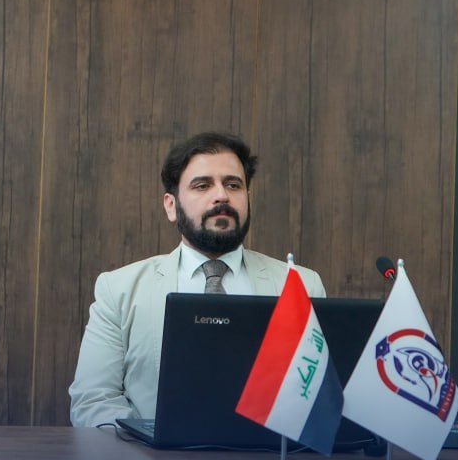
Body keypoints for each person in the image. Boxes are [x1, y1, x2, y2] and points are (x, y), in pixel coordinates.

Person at [68, 132, 326, 428]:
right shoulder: (120, 290)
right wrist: (148, 444)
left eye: (233, 185)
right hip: (149, 456)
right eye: (202, 185)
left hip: (266, 455)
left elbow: (317, 399)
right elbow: (93, 400)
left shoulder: (301, 286)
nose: (222, 196)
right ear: (171, 205)